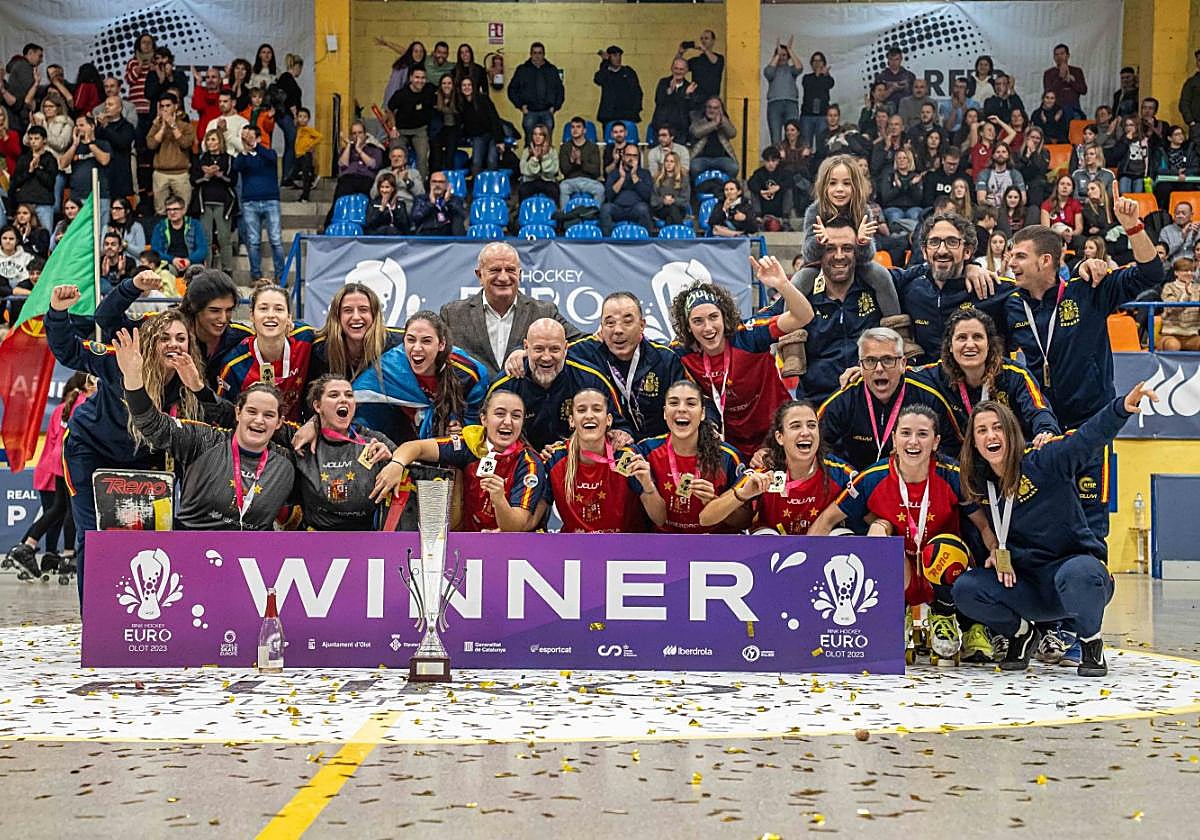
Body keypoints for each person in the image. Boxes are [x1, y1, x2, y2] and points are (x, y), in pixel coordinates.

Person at [953, 381, 1157, 676]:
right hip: (1025, 587)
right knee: (967, 589)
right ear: (973, 442)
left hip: (1075, 575)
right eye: (982, 430)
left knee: (1079, 575)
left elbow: (1087, 438)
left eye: (997, 427)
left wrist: (1121, 407)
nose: (991, 435)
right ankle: (1022, 634)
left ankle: (1089, 642)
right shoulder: (979, 485)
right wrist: (995, 550)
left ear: (1012, 433)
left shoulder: (1045, 461)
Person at [1005, 203, 1162, 556]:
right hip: (1039, 431)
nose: (1010, 264)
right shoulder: (1011, 303)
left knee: (1091, 525)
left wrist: (1132, 227)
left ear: (1045, 261)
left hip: (1090, 426)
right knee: (1040, 520)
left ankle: (1086, 599)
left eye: (1018, 256)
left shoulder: (1089, 288)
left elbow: (1152, 274)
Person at [47, 286, 215, 595]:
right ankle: (93, 622)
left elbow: (208, 426)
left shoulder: (190, 379)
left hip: (143, 459)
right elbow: (67, 350)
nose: (174, 345)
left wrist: (200, 388)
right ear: (151, 342)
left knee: (149, 538)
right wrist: (58, 312)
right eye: (164, 338)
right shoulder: (121, 361)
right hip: (89, 451)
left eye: (181, 338)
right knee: (93, 534)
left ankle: (136, 614)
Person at [812, 403, 998, 662]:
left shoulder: (953, 474)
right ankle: (893, 615)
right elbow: (827, 519)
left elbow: (985, 526)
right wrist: (805, 575)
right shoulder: (873, 477)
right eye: (906, 433)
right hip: (901, 568)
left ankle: (945, 615)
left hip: (942, 566)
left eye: (922, 434)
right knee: (877, 536)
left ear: (935, 442)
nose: (913, 441)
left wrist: (998, 556)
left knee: (949, 546)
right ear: (894, 438)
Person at [118, 341, 296, 532]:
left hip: (252, 556)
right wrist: (133, 380)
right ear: (237, 413)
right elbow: (153, 425)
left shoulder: (287, 462)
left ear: (279, 422)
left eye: (268, 415)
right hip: (193, 550)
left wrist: (314, 425)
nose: (259, 420)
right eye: (251, 411)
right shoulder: (204, 441)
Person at [670, 256, 814, 461]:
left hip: (775, 436)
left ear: (724, 316)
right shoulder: (682, 351)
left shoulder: (748, 336)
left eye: (713, 317)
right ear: (688, 327)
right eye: (698, 321)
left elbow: (804, 316)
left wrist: (782, 284)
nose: (708, 328)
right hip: (727, 444)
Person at [373, 389, 547, 532]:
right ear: (484, 419)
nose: (507, 422)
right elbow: (415, 447)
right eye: (500, 414)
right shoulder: (468, 444)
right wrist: (396, 464)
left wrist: (499, 500)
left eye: (516, 416)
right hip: (467, 545)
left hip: (510, 550)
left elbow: (515, 528)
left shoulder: (529, 463)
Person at [913, 308, 1059, 455]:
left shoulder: (1015, 374)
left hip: (1012, 458)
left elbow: (1038, 409)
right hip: (965, 464)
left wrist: (1046, 430)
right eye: (962, 338)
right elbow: (902, 373)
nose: (970, 344)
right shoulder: (936, 374)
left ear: (989, 344)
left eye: (977, 337)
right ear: (950, 346)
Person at [791, 155, 908, 339]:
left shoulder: (863, 210)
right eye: (833, 183)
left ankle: (899, 335)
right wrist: (819, 242)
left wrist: (862, 243)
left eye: (846, 183)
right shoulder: (814, 211)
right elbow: (807, 253)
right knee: (797, 283)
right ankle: (790, 345)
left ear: (855, 186)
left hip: (856, 264)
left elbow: (867, 257)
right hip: (820, 264)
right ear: (824, 186)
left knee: (882, 275)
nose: (840, 190)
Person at [703, 400, 856, 535]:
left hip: (823, 552)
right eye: (796, 426)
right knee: (764, 534)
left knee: (843, 534)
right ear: (780, 437)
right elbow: (706, 518)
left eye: (812, 425)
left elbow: (869, 507)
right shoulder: (764, 471)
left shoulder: (840, 472)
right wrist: (743, 494)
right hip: (772, 555)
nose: (805, 432)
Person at [817, 327, 958, 471]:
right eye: (871, 360)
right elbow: (818, 444)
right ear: (860, 365)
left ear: (903, 364)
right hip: (860, 484)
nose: (879, 368)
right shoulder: (845, 398)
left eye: (888, 360)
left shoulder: (928, 396)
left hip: (915, 480)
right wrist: (847, 474)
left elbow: (951, 447)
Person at [559, 291, 690, 440]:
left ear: (642, 325)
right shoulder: (583, 354)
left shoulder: (666, 360)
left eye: (627, 322)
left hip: (659, 450)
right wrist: (525, 356)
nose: (618, 330)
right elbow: (551, 355)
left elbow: (686, 406)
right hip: (612, 450)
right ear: (601, 328)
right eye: (610, 323)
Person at [440, 242, 581, 377]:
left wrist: (528, 352)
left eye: (510, 270)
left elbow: (580, 345)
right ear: (479, 275)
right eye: (495, 270)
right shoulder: (452, 315)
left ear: (519, 274)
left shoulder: (544, 312)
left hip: (524, 401)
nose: (503, 277)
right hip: (470, 401)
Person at [889, 212, 1015, 363]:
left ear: (967, 251)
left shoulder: (992, 288)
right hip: (928, 384)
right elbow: (874, 278)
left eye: (952, 242)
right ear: (924, 251)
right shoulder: (911, 290)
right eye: (934, 242)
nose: (942, 250)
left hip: (980, 383)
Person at [351, 309, 488, 444]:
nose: (416, 348)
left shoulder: (468, 373)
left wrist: (461, 428)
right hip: (403, 436)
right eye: (411, 340)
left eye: (426, 341)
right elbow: (355, 395)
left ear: (441, 344)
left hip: (449, 449)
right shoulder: (390, 364)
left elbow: (476, 421)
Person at [4, 372, 92, 581]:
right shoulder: (83, 405)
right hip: (68, 461)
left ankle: (32, 547)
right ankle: (63, 555)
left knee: (59, 508)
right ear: (89, 384)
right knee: (67, 509)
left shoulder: (68, 406)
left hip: (59, 461)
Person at [489, 318, 625, 453]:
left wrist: (620, 435)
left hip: (576, 461)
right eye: (539, 349)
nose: (546, 357)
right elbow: (487, 434)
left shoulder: (592, 379)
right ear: (526, 347)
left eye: (554, 349)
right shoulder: (506, 385)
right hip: (521, 463)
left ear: (566, 348)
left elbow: (619, 426)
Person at [631, 379, 744, 533]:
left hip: (715, 545)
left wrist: (714, 502)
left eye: (691, 404)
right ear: (665, 412)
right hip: (664, 544)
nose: (681, 409)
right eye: (673, 403)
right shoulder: (645, 451)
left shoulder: (728, 456)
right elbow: (659, 520)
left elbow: (744, 521)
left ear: (703, 413)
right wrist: (648, 487)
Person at [292, 375, 395, 531]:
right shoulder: (300, 438)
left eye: (349, 395)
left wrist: (393, 462)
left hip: (367, 539)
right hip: (314, 539)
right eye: (334, 395)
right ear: (317, 406)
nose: (343, 399)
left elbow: (413, 465)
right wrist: (313, 422)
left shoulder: (374, 440)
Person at [541, 388, 647, 533]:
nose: (589, 415)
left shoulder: (626, 457)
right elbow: (532, 520)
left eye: (597, 409)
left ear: (609, 419)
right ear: (571, 420)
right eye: (581, 410)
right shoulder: (555, 458)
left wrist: (648, 485)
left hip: (624, 549)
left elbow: (659, 518)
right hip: (575, 548)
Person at [217, 283, 315, 421]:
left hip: (294, 436)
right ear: (252, 316)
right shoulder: (234, 364)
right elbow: (223, 415)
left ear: (289, 317)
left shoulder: (306, 339)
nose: (270, 315)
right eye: (263, 308)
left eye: (279, 309)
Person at [308, 282, 405, 384]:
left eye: (363, 310)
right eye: (348, 310)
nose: (356, 317)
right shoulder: (320, 350)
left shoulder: (398, 345)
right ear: (337, 317)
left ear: (374, 315)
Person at [233, 124, 284, 282]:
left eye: (251, 136)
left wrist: (255, 145)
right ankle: (256, 276)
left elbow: (271, 158)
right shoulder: (243, 157)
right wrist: (244, 149)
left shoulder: (269, 153)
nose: (247, 140)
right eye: (245, 137)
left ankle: (280, 275)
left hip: (270, 201)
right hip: (250, 203)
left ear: (259, 138)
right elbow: (236, 167)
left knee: (275, 239)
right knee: (253, 241)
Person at [189, 130, 236, 272]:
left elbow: (233, 181)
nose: (210, 143)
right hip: (205, 203)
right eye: (208, 140)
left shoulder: (228, 159)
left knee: (224, 238)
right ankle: (207, 270)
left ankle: (227, 270)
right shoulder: (201, 158)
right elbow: (194, 180)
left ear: (220, 141)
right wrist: (206, 176)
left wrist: (219, 174)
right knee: (206, 239)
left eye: (213, 139)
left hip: (223, 202)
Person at [146, 94, 193, 216]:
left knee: (183, 210)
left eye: (168, 106)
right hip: (160, 174)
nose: (165, 109)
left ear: (176, 106)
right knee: (161, 211)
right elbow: (151, 145)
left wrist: (172, 126)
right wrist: (161, 128)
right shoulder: (156, 126)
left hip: (180, 174)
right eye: (162, 106)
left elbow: (185, 144)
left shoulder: (185, 126)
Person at [507, 42, 564, 141]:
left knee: (547, 142)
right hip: (530, 112)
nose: (537, 56)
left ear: (544, 54)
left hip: (547, 112)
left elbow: (560, 90)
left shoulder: (551, 70)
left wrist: (555, 106)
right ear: (531, 54)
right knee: (530, 141)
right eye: (535, 53)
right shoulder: (522, 70)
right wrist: (520, 105)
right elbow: (511, 89)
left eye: (540, 53)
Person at [62, 113, 113, 224]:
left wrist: (90, 143)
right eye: (77, 126)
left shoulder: (103, 144)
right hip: (78, 196)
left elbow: (104, 160)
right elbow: (63, 164)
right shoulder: (74, 146)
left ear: (92, 126)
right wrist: (75, 145)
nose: (78, 128)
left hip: (100, 195)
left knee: (101, 228)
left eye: (82, 125)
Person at [386, 66, 434, 179]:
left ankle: (420, 187)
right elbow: (389, 109)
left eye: (423, 78)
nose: (420, 80)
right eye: (417, 77)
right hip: (401, 130)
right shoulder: (401, 94)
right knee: (397, 155)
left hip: (420, 130)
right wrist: (393, 128)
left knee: (423, 157)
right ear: (411, 78)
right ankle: (396, 183)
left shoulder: (429, 90)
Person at [10, 126, 57, 233]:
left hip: (43, 203)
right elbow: (15, 181)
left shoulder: (50, 159)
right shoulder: (23, 159)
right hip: (25, 202)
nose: (33, 142)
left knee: (46, 235)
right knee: (21, 235)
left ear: (44, 140)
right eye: (31, 139)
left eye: (36, 138)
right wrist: (29, 171)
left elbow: (50, 182)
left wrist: (37, 169)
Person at [600, 143, 653, 235]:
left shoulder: (645, 173)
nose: (631, 158)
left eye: (635, 156)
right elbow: (609, 196)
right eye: (628, 155)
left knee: (644, 209)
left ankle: (646, 243)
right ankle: (607, 243)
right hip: (617, 208)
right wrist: (622, 178)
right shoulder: (614, 173)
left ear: (638, 158)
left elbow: (647, 196)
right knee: (606, 208)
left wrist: (634, 176)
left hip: (636, 208)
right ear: (623, 156)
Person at [150, 195, 208, 276]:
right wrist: (173, 259)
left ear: (183, 210)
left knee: (197, 273)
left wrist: (188, 260)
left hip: (191, 262)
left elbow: (202, 249)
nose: (172, 212)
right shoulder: (160, 227)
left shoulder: (195, 225)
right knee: (165, 273)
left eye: (175, 209)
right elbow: (155, 251)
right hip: (169, 263)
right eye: (169, 209)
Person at [457, 77, 503, 175]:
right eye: (464, 85)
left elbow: (494, 119)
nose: (466, 87)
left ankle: (492, 187)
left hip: (492, 135)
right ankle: (477, 187)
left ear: (473, 87)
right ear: (460, 88)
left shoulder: (483, 99)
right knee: (476, 163)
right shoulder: (460, 104)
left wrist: (499, 140)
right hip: (477, 137)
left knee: (492, 161)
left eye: (469, 85)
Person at [332, 120, 384, 204]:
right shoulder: (346, 150)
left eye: (360, 133)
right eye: (354, 133)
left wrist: (359, 150)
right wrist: (349, 145)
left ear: (365, 134)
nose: (357, 136)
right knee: (341, 192)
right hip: (348, 178)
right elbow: (342, 165)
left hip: (366, 179)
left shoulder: (374, 149)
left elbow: (374, 165)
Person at [558, 116, 605, 208]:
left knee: (600, 189)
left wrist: (581, 162)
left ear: (584, 130)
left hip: (589, 181)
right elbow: (564, 171)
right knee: (562, 187)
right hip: (570, 181)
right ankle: (565, 217)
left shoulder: (592, 147)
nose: (575, 130)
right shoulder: (565, 147)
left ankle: (595, 215)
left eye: (578, 127)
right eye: (573, 127)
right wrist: (572, 162)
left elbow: (596, 171)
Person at [763, 37, 802, 145]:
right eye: (780, 55)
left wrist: (790, 50)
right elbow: (768, 73)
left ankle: (791, 159)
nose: (782, 57)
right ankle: (777, 160)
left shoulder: (791, 69)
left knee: (793, 135)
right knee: (776, 137)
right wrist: (777, 55)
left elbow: (799, 67)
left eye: (784, 55)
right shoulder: (771, 69)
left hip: (791, 104)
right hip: (774, 104)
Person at [1150, 125, 1200, 210]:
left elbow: (1196, 168)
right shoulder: (1161, 152)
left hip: (1185, 181)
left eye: (1182, 134)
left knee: (1190, 188)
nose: (1181, 136)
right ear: (1169, 138)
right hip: (1166, 181)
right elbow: (1157, 170)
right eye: (1177, 134)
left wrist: (1185, 173)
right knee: (1164, 189)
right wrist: (1176, 173)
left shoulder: (1190, 151)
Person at [689, 97, 739, 180]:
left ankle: (727, 189)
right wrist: (714, 123)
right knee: (694, 167)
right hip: (701, 158)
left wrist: (723, 119)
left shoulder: (724, 121)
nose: (712, 110)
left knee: (733, 168)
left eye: (715, 108)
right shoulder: (697, 119)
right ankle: (696, 191)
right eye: (709, 107)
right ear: (705, 108)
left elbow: (732, 133)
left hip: (721, 158)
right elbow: (696, 133)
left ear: (721, 110)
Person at [651, 58, 699, 141]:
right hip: (661, 127)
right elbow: (659, 101)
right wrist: (670, 93)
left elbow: (689, 108)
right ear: (672, 68)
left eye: (681, 69)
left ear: (686, 70)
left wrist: (687, 95)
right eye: (676, 68)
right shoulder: (663, 83)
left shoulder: (690, 87)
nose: (678, 72)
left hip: (680, 131)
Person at [594, 45, 642, 126]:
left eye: (619, 55)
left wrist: (636, 109)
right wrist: (605, 62)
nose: (618, 58)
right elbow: (598, 80)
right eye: (615, 55)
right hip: (609, 116)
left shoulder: (628, 72)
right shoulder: (606, 73)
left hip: (627, 115)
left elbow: (637, 92)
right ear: (609, 57)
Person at [410, 170, 467, 236]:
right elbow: (415, 217)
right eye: (434, 181)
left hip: (448, 237)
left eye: (441, 182)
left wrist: (447, 201)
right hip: (426, 237)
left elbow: (462, 215)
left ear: (447, 185)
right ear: (430, 184)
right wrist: (431, 203)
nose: (437, 185)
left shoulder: (455, 199)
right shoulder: (421, 199)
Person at [1160, 257, 1200, 350]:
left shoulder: (1198, 288)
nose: (1189, 273)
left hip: (1192, 335)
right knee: (1173, 346)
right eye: (1185, 270)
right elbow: (1172, 308)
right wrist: (1186, 295)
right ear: (1176, 272)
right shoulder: (1168, 287)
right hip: (1171, 335)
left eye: (1191, 270)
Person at [799, 52, 835, 150]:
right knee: (806, 145)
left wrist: (825, 74)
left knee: (822, 145)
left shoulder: (827, 79)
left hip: (822, 115)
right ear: (811, 63)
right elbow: (812, 86)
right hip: (807, 116)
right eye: (815, 61)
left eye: (820, 61)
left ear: (824, 63)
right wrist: (818, 74)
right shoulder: (807, 78)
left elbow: (830, 84)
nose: (817, 63)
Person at [1042, 44, 1088, 121]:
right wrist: (1060, 77)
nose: (1059, 57)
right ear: (1054, 57)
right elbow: (1048, 93)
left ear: (1068, 55)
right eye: (1056, 54)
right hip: (1055, 111)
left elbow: (1083, 90)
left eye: (1062, 54)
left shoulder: (1076, 71)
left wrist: (1071, 81)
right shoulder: (1049, 73)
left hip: (1074, 110)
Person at [974, 142, 1025, 209]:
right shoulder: (984, 174)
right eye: (998, 152)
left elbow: (1023, 200)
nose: (1001, 154)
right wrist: (992, 206)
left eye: (1004, 152)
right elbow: (981, 200)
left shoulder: (1015, 174)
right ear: (993, 155)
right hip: (990, 211)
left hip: (1009, 210)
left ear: (1008, 155)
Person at [747, 147, 789, 229]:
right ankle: (758, 218)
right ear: (764, 161)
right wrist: (761, 192)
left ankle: (785, 219)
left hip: (779, 205)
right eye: (767, 161)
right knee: (753, 192)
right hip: (763, 206)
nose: (770, 164)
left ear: (778, 161)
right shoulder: (759, 173)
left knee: (788, 191)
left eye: (773, 161)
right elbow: (751, 183)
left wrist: (778, 187)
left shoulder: (784, 172)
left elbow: (790, 181)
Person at [517, 123, 560, 203]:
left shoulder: (552, 151)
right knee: (522, 190)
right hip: (530, 181)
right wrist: (535, 159)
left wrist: (545, 157)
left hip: (547, 181)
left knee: (554, 190)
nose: (537, 137)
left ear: (545, 137)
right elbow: (523, 170)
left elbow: (553, 171)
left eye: (540, 134)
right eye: (535, 134)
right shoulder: (526, 151)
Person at [372, 146, 423, 210]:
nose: (396, 159)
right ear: (390, 158)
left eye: (399, 156)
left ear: (405, 159)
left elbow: (420, 193)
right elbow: (373, 194)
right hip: (386, 205)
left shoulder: (413, 173)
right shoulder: (383, 172)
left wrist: (407, 181)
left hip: (407, 204)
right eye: (393, 156)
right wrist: (389, 179)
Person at [378, 40, 425, 110]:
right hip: (395, 104)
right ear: (411, 53)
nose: (419, 54)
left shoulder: (416, 63)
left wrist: (387, 44)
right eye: (416, 51)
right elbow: (394, 87)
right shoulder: (403, 68)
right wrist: (390, 109)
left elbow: (403, 50)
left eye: (421, 51)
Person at [679, 30, 725, 100]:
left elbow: (714, 62)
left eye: (706, 38)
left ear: (713, 41)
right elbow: (677, 67)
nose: (703, 41)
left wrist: (705, 50)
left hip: (711, 101)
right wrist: (680, 53)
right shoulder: (696, 60)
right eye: (701, 39)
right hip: (696, 100)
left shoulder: (719, 58)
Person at [429, 73, 461, 175]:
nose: (446, 86)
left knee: (450, 155)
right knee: (436, 155)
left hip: (453, 129)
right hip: (438, 129)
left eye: (449, 83)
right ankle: (435, 178)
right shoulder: (434, 97)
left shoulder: (459, 98)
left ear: (453, 85)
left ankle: (449, 180)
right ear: (440, 85)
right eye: (444, 83)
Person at [201, 88, 248, 155]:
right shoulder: (212, 122)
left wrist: (226, 132)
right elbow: (204, 147)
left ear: (233, 103)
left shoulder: (243, 122)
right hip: (213, 160)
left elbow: (244, 148)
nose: (222, 104)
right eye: (220, 101)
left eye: (225, 101)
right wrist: (216, 133)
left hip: (233, 161)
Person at [1041, 174, 1084, 246]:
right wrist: (1060, 234)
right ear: (1057, 187)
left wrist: (1069, 234)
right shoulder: (1047, 204)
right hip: (1053, 236)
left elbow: (1079, 229)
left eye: (1068, 185)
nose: (1065, 187)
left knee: (1081, 241)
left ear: (1072, 189)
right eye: (1062, 184)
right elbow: (1046, 229)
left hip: (1071, 236)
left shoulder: (1076, 204)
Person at [651, 151, 690, 228]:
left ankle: (666, 239)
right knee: (672, 210)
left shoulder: (683, 178)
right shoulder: (657, 178)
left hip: (679, 209)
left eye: (672, 161)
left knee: (671, 214)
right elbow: (653, 200)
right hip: (661, 209)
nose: (668, 164)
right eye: (666, 161)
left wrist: (673, 201)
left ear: (676, 164)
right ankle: (681, 235)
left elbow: (685, 200)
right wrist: (663, 201)